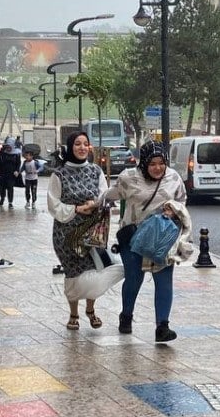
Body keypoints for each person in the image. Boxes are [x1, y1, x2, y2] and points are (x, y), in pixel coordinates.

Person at [102, 140, 188, 342]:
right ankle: (126, 315)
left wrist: (173, 209)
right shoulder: (128, 178)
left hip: (162, 239)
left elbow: (182, 200)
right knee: (134, 278)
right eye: (152, 163)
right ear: (144, 163)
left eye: (161, 163)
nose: (157, 168)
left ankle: (162, 327)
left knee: (164, 280)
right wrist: (95, 202)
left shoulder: (173, 178)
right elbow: (110, 195)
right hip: (133, 238)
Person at [47, 131, 123, 330]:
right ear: (70, 147)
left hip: (92, 231)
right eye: (77, 144)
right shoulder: (59, 174)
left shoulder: (96, 171)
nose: (82, 148)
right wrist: (76, 209)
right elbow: (53, 203)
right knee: (73, 272)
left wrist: (95, 204)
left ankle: (90, 309)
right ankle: (73, 313)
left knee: (94, 269)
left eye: (85, 144)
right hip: (66, 233)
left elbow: (103, 194)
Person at [0, 139, 22, 209]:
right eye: (7, 147)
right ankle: (2, 197)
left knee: (10, 188)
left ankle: (10, 202)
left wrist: (17, 171)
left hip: (11, 174)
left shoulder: (16, 154)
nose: (8, 148)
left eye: (9, 147)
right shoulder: (1, 153)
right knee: (2, 188)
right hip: (2, 173)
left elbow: (18, 163)